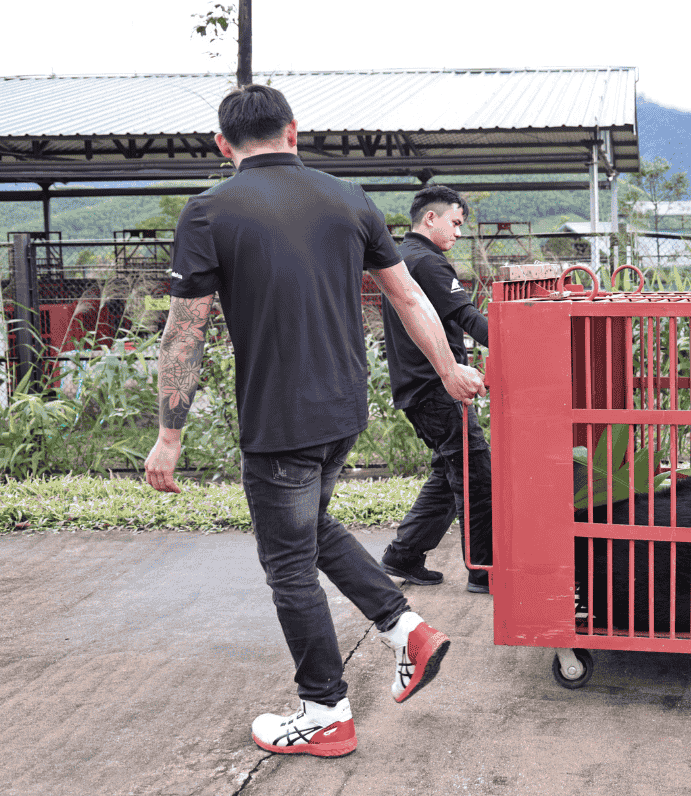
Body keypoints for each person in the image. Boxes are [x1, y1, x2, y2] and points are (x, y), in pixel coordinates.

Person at [143, 85, 486, 758]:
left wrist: (168, 436)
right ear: (293, 132)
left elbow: (185, 334)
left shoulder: (209, 211)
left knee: (288, 564)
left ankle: (324, 710)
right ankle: (404, 629)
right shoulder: (348, 197)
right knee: (311, 524)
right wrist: (448, 370)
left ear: (223, 146)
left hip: (281, 417)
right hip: (343, 410)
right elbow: (410, 295)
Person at [377, 185, 493, 595]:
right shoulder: (427, 262)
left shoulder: (401, 258)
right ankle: (484, 569)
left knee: (451, 471)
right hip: (435, 388)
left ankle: (404, 554)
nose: (458, 233)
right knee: (476, 475)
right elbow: (465, 316)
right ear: (431, 218)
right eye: (455, 223)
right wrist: (517, 341)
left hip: (417, 387)